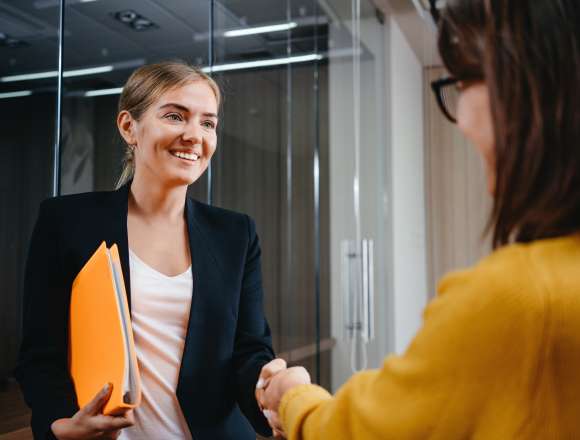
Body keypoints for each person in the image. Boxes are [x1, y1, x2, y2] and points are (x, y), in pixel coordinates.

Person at [256, 0, 580, 438]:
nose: (462, 121)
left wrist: (292, 396)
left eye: (465, 82)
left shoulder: (521, 299)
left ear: (532, 88)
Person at [15, 61, 286, 440]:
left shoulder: (235, 233)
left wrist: (268, 385)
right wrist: (61, 425)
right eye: (176, 116)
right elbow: (41, 355)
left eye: (208, 122)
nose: (195, 135)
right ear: (129, 127)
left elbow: (249, 350)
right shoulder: (67, 222)